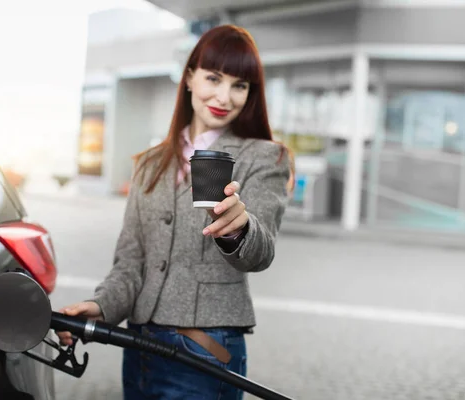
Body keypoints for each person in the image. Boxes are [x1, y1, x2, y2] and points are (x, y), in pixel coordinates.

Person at [57, 24, 293, 399]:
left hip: (205, 349)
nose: (224, 96)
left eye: (239, 85)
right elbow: (130, 262)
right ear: (188, 78)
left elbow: (260, 251)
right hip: (139, 346)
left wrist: (238, 227)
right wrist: (101, 306)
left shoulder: (264, 157)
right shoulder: (149, 163)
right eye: (213, 78)